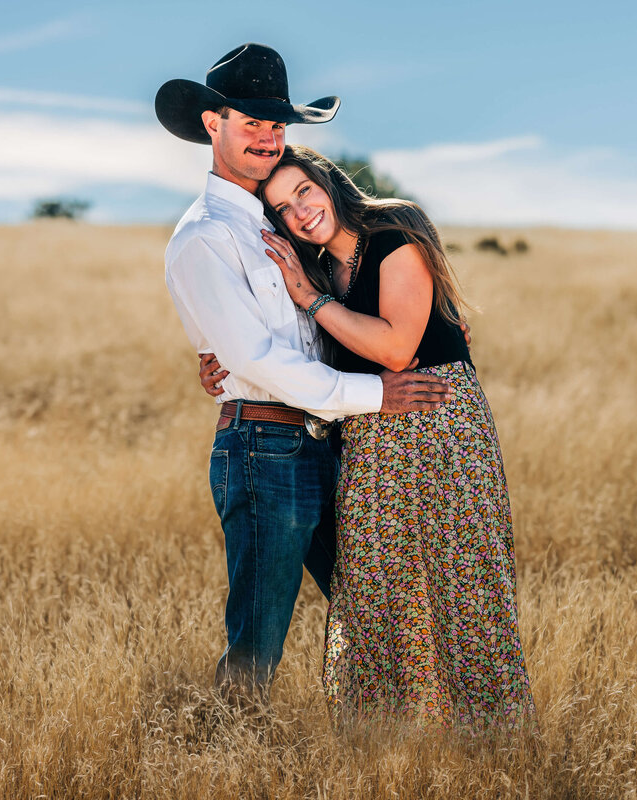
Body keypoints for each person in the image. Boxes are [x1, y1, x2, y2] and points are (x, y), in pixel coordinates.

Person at [202, 145, 536, 731]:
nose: (299, 211)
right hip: (367, 436)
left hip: (438, 427)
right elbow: (298, 350)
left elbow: (394, 349)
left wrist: (310, 297)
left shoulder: (392, 234)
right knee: (383, 583)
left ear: (327, 182)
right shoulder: (318, 270)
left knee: (461, 579)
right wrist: (224, 363)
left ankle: (493, 737)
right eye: (281, 208)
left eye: (303, 190)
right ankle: (397, 740)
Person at [155, 43, 453, 699]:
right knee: (259, 642)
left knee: (377, 610)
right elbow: (257, 359)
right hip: (264, 448)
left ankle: (396, 751)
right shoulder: (205, 235)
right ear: (213, 123)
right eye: (249, 121)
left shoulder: (277, 222)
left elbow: (300, 333)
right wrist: (377, 394)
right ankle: (227, 757)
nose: (266, 137)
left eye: (276, 124)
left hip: (321, 440)